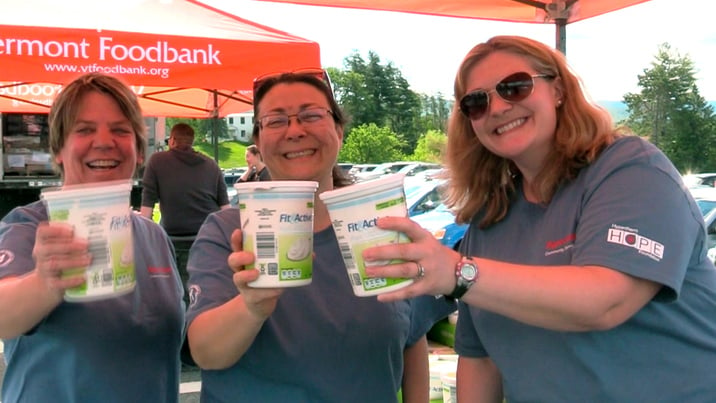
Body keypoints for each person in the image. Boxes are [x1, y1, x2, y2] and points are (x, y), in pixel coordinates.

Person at [361, 35, 716, 402]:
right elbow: (480, 360)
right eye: (476, 102)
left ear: (558, 90)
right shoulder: (490, 219)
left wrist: (456, 272)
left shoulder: (630, 170)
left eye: (514, 87)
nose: (497, 108)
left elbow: (606, 301)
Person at [184, 70, 455, 402]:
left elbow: (413, 338)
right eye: (276, 120)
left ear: (339, 130)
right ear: (258, 139)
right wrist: (252, 308)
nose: (296, 131)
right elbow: (205, 353)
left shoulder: (383, 226)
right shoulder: (227, 232)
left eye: (311, 115)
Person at [0, 72, 184, 402]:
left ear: (139, 151)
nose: (103, 141)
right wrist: (45, 283)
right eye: (84, 130)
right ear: (58, 149)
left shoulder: (154, 236)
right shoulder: (29, 227)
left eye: (120, 130)